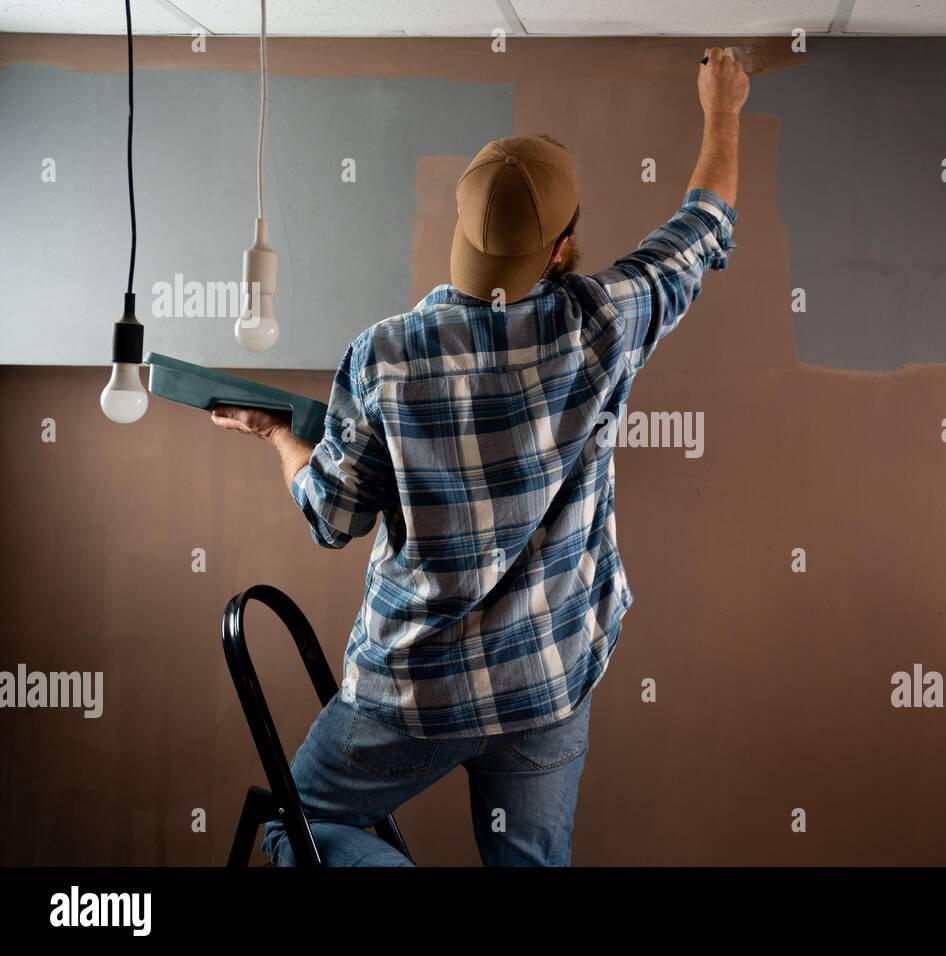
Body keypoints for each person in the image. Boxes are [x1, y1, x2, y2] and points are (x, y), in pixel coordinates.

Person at [211, 48, 748, 866]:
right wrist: (721, 110)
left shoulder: (385, 357)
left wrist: (281, 437)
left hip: (410, 689)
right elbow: (702, 228)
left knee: (296, 830)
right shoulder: (602, 323)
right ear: (562, 249)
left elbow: (332, 516)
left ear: (462, 236)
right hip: (544, 682)